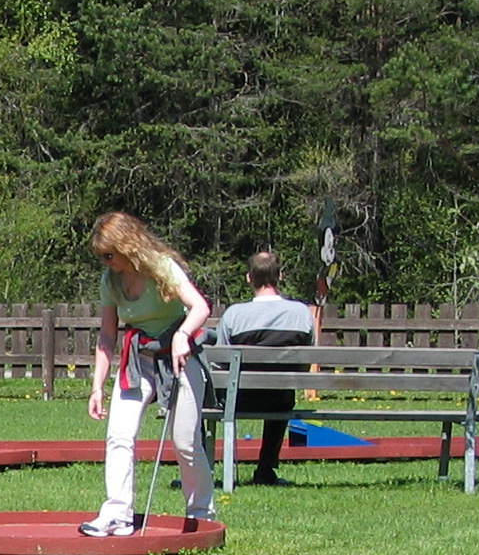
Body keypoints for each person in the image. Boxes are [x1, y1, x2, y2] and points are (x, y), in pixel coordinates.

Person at [81, 211, 214, 536]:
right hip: (138, 359)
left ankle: (202, 515)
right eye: (101, 257)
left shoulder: (162, 266)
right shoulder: (110, 281)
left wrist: (183, 335)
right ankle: (117, 515)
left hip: (178, 356)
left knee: (186, 443)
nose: (106, 262)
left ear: (127, 246)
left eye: (109, 255)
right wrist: (97, 387)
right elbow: (107, 336)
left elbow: (200, 307)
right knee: (119, 436)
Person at [212, 249, 315, 486]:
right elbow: (305, 360)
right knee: (281, 391)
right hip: (280, 398)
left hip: (239, 399)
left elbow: (219, 362)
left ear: (249, 277)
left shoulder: (234, 315)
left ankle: (203, 470)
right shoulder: (301, 313)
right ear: (280, 275)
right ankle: (265, 469)